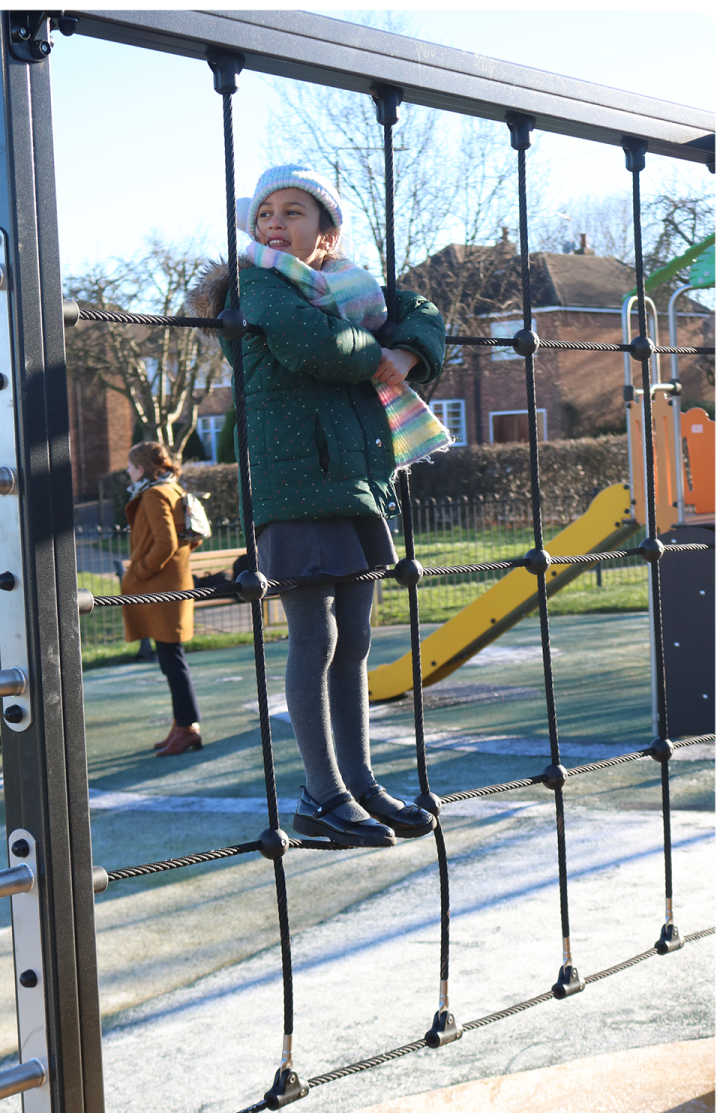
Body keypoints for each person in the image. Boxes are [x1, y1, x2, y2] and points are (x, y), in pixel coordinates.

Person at [191, 164, 446, 847]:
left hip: (357, 481)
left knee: (357, 639)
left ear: (326, 232)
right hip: (294, 485)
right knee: (317, 637)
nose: (275, 222)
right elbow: (319, 347)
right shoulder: (253, 284)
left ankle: (359, 783)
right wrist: (379, 353)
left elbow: (423, 310)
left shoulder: (348, 288)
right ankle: (319, 793)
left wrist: (408, 350)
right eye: (265, 212)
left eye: (294, 211)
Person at [121, 442, 203, 756]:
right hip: (171, 586)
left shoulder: (154, 494)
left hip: (161, 590)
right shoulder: (172, 489)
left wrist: (140, 571)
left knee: (173, 661)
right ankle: (182, 723)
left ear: (141, 468)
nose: (127, 471)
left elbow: (166, 542)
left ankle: (187, 727)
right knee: (172, 660)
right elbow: (190, 537)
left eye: (130, 466)